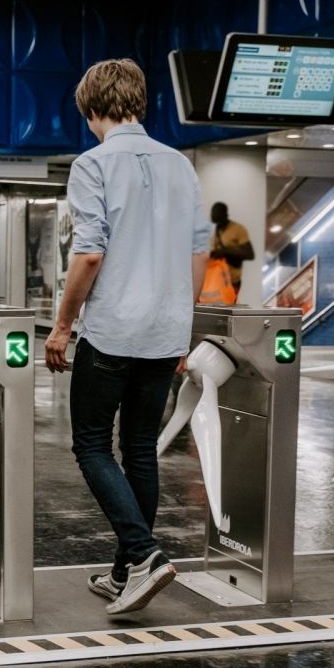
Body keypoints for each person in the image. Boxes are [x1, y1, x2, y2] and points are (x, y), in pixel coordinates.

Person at [45, 59, 210, 615]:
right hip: (165, 331)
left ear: (92, 109)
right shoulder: (182, 166)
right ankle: (125, 574)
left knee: (91, 444)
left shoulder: (92, 163)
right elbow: (199, 252)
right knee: (140, 448)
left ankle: (144, 555)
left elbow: (90, 252)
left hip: (113, 330)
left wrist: (63, 325)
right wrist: (182, 326)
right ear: (139, 102)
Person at [209, 202, 254, 293]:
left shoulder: (238, 229)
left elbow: (250, 254)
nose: (217, 224)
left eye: (219, 221)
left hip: (232, 282)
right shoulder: (213, 230)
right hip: (215, 280)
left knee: (228, 306)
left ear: (226, 215)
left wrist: (225, 252)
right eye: (214, 221)